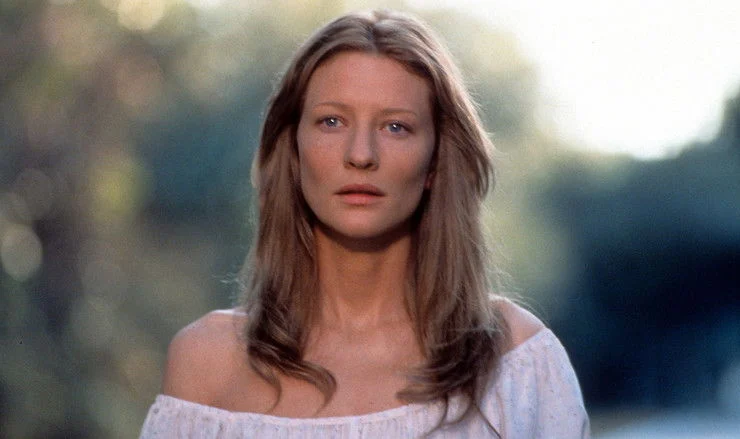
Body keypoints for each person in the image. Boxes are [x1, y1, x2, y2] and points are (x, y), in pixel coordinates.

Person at [140, 9, 589, 438]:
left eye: (395, 127)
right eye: (332, 121)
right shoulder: (207, 365)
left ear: (436, 161)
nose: (361, 155)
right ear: (293, 151)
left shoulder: (516, 361)